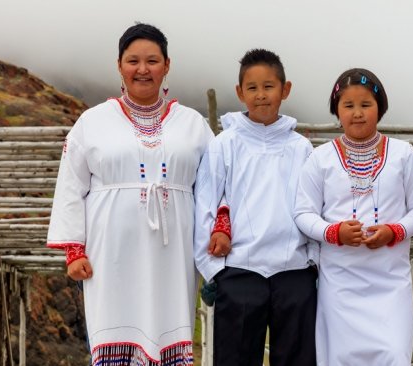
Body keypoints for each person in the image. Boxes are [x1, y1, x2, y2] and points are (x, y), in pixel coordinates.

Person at [46, 23, 213, 365]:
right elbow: (71, 186)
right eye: (133, 60)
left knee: (171, 323)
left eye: (152, 61)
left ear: (167, 65)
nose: (142, 69)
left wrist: (215, 239)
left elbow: (214, 187)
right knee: (114, 327)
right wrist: (74, 249)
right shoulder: (92, 122)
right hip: (110, 253)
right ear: (119, 65)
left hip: (174, 252)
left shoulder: (193, 124)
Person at [293, 68, 413, 364]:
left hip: (390, 282)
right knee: (341, 357)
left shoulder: (403, 154)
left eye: (365, 105)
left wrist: (394, 231)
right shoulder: (320, 158)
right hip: (340, 285)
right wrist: (335, 232)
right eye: (348, 106)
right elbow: (303, 213)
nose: (357, 113)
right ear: (337, 111)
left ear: (380, 108)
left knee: (393, 355)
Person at [193, 49, 317, 366]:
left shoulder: (300, 148)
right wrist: (213, 271)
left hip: (294, 273)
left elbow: (315, 207)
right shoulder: (225, 144)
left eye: (269, 86)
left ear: (285, 89)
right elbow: (205, 205)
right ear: (240, 92)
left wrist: (314, 264)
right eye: (252, 88)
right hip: (239, 272)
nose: (261, 96)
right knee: (235, 359)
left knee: (297, 359)